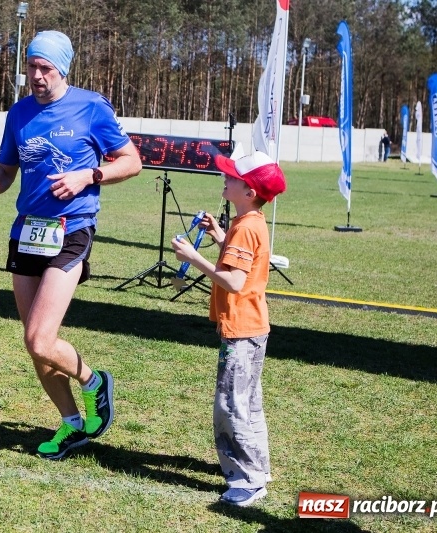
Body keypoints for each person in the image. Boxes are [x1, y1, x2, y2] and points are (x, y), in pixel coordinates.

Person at [0, 31, 142, 460]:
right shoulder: (19, 113)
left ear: (63, 69)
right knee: (37, 346)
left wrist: (89, 176)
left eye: (45, 68)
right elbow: (8, 166)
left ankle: (94, 381)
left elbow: (131, 162)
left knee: (39, 337)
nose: (36, 75)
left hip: (72, 229)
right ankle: (71, 424)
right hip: (27, 230)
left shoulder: (91, 106)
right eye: (31, 66)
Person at [170, 150, 286, 507]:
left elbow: (235, 282)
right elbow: (242, 263)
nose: (225, 178)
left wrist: (195, 259)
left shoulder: (246, 227)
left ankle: (248, 480)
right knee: (249, 402)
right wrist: (221, 236)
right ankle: (258, 468)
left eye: (232, 177)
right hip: (253, 326)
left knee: (230, 405)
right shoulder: (248, 222)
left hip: (240, 330)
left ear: (249, 190)